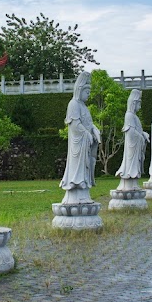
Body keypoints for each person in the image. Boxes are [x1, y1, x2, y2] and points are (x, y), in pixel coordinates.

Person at [60, 71, 100, 203]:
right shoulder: (74, 104)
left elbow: (89, 122)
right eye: (87, 92)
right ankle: (75, 194)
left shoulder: (84, 106)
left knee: (87, 165)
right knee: (78, 167)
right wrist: (87, 133)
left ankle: (84, 193)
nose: (88, 96)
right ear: (80, 90)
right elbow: (75, 124)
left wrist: (94, 129)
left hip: (86, 144)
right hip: (78, 145)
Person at [115, 89, 149, 181]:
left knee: (135, 163)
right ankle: (129, 175)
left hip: (136, 147)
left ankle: (133, 178)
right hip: (132, 147)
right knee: (131, 164)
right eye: (139, 104)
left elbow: (138, 130)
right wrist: (141, 137)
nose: (140, 107)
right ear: (133, 103)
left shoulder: (135, 116)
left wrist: (143, 134)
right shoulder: (129, 115)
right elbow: (131, 133)